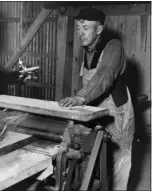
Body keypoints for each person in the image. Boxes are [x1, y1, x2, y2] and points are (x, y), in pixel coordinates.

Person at [58, 8, 135, 190]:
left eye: (85, 28)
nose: (80, 33)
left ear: (99, 30)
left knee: (119, 161)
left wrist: (80, 97)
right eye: (78, 28)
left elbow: (103, 77)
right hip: (96, 109)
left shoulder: (114, 46)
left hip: (117, 112)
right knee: (91, 154)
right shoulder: (87, 48)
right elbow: (88, 81)